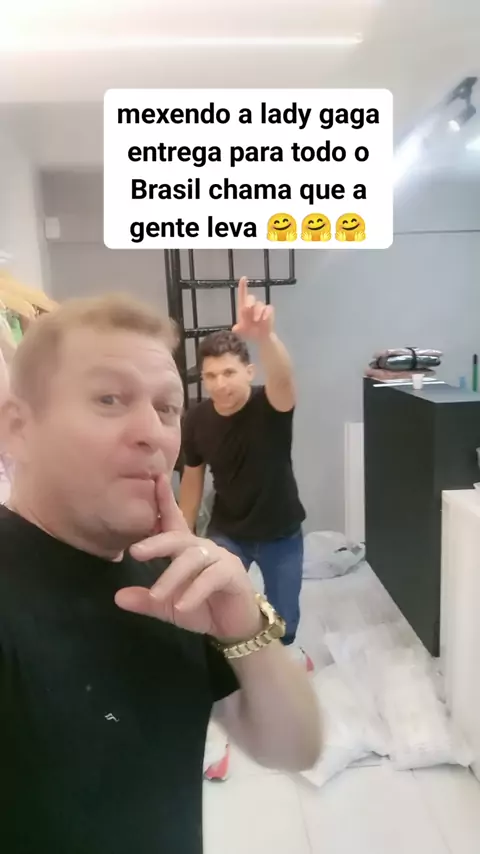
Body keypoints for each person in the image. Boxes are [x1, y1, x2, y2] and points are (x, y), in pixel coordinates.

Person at [0, 294, 320, 854]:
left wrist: (245, 628)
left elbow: (295, 749)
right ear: (17, 428)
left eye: (168, 408)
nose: (154, 433)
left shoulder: (167, 577)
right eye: (109, 399)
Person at [180, 277, 309, 662]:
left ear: (249, 372)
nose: (219, 384)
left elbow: (283, 377)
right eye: (211, 376)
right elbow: (192, 480)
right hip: (228, 531)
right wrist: (184, 535)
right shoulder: (196, 419)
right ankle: (228, 668)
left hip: (280, 532)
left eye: (229, 373)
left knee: (284, 620)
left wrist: (265, 337)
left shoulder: (270, 405)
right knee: (216, 605)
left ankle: (284, 664)